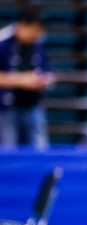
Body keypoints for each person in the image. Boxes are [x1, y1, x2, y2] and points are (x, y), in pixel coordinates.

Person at [0, 9, 53, 150]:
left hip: (33, 105)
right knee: (9, 148)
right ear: (21, 25)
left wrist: (42, 80)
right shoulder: (3, 41)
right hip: (7, 107)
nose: (35, 35)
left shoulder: (39, 43)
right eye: (33, 30)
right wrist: (21, 80)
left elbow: (48, 72)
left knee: (40, 147)